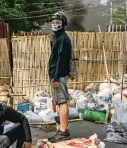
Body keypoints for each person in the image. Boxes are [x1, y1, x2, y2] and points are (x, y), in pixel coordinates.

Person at [48, 12, 72, 143]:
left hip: (59, 75)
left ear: (63, 24)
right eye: (53, 21)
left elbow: (61, 60)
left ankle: (63, 132)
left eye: (58, 21)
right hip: (56, 75)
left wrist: (56, 78)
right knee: (58, 101)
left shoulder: (63, 39)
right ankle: (62, 128)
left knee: (62, 102)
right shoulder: (58, 38)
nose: (55, 23)